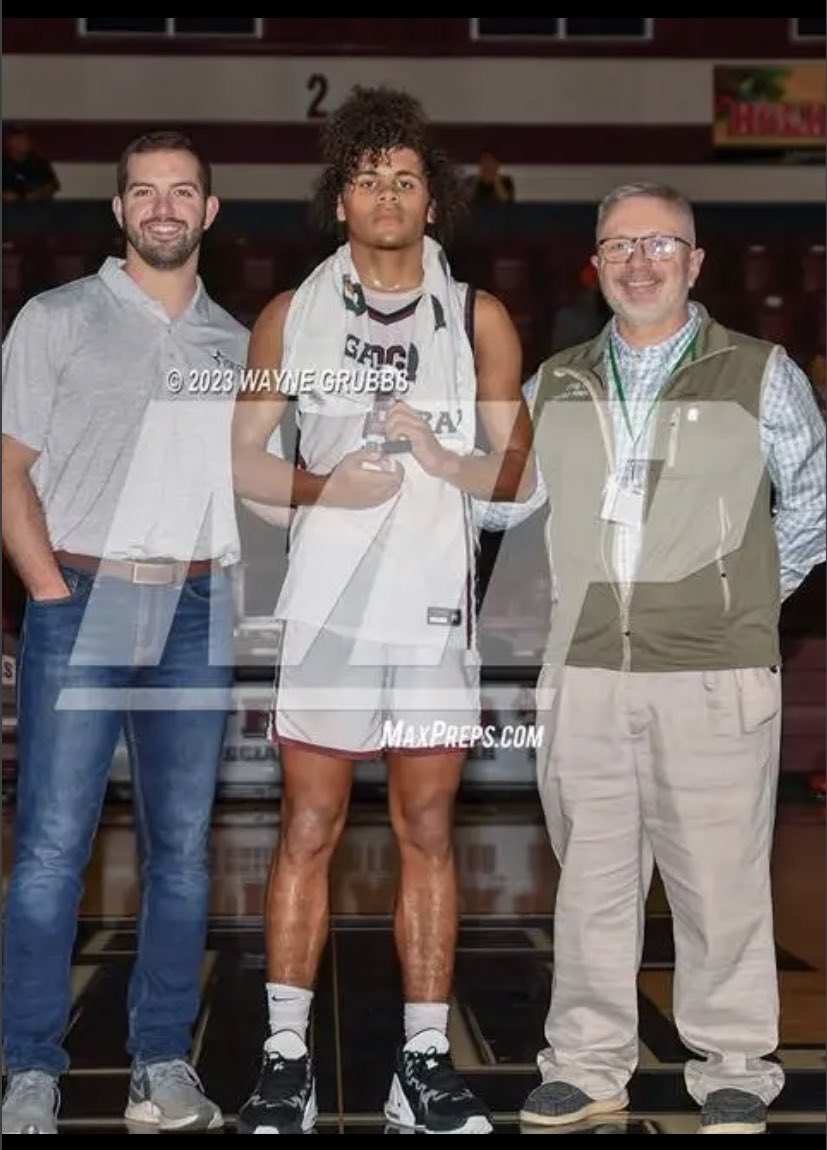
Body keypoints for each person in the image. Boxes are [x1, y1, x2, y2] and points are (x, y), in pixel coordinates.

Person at [485, 182, 826, 1135]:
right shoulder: (555, 381)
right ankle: (586, 1065)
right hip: (585, 670)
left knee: (720, 883)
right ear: (594, 264)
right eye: (619, 247)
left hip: (714, 671)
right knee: (590, 885)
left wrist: (740, 599)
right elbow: (502, 504)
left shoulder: (759, 372)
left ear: (695, 261)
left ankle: (733, 1067)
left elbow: (812, 500)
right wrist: (424, 451)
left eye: (659, 245)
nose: (639, 263)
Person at [230, 85, 535, 1135]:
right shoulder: (289, 314)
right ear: (340, 200)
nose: (387, 196)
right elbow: (243, 464)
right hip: (327, 614)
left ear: (432, 201)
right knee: (307, 827)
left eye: (405, 179)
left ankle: (421, 1065)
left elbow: (514, 475)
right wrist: (325, 490)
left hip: (432, 615)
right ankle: (284, 1063)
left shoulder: (479, 317)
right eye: (367, 179)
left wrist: (445, 459)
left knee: (427, 831)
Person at [1, 130, 247, 1133]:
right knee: (51, 849)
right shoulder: (56, 318)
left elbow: (258, 489)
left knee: (181, 851)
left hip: (193, 608)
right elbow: (8, 468)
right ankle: (28, 1068)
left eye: (181, 192)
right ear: (118, 210)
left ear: (209, 212)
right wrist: (50, 592)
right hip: (80, 595)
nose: (162, 208)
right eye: (144, 192)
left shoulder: (236, 345)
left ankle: (161, 1064)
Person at [2, 123, 60, 202]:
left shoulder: (39, 163)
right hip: (7, 208)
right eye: (18, 138)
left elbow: (52, 186)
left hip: (36, 206)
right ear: (9, 141)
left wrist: (30, 196)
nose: (23, 141)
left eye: (25, 138)